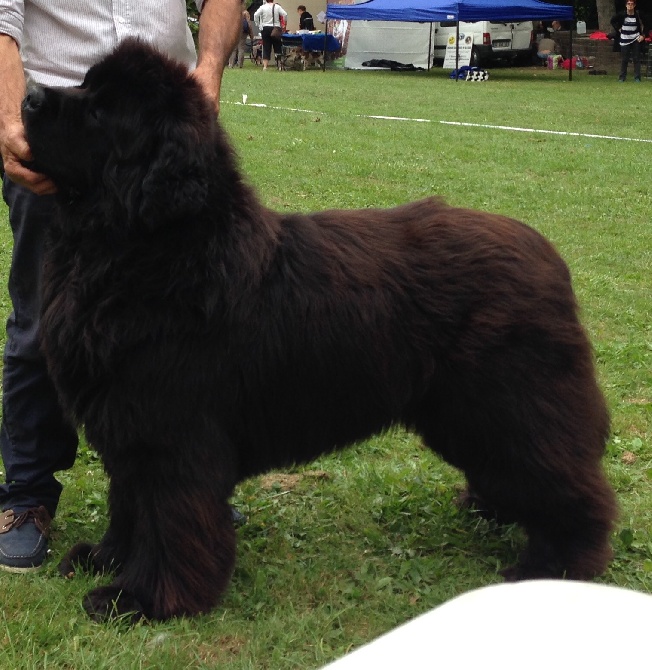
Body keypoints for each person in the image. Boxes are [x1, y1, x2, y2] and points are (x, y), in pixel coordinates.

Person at [0, 0, 242, 573]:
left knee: (189, 328)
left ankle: (185, 486)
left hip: (161, 123)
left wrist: (207, 70)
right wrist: (12, 121)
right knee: (47, 322)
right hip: (66, 121)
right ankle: (28, 496)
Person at [611, 0, 646, 82]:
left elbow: (646, 24)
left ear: (634, 5)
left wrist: (643, 35)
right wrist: (618, 29)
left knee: (636, 58)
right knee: (624, 59)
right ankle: (622, 77)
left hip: (635, 38)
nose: (630, 6)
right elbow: (612, 21)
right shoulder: (622, 15)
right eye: (628, 4)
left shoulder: (638, 15)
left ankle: (637, 77)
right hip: (625, 38)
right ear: (626, 5)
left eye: (632, 4)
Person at [254, 0, 288, 70]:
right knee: (277, 46)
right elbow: (285, 14)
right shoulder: (277, 7)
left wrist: (258, 24)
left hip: (265, 28)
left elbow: (255, 15)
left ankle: (265, 66)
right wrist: (283, 25)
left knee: (266, 47)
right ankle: (279, 65)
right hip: (276, 28)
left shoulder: (262, 7)